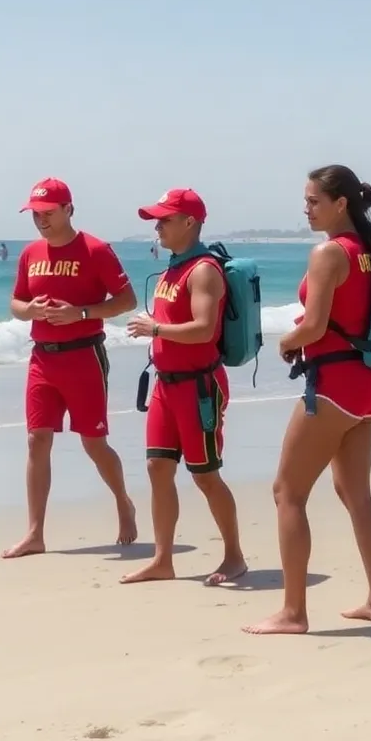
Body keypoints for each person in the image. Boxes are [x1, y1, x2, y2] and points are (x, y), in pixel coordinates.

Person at [243, 164, 371, 636]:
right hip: (370, 386)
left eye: (313, 201)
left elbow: (315, 326)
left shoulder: (328, 253)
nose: (306, 208)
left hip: (334, 387)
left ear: (340, 203)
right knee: (356, 494)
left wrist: (286, 341)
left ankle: (293, 613)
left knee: (287, 493)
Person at [4, 177, 138, 558]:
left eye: (48, 213)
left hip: (84, 356)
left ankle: (123, 502)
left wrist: (81, 313)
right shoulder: (31, 253)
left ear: (68, 210)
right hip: (42, 358)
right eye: (35, 214)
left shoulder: (95, 250)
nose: (41, 220)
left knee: (93, 443)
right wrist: (29, 311)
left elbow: (126, 300)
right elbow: (16, 302)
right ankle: (35, 533)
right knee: (36, 440)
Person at [122, 189, 246, 586]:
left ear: (189, 222)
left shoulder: (205, 269)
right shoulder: (173, 269)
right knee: (158, 467)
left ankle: (234, 557)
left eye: (165, 219)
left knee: (205, 475)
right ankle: (163, 559)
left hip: (200, 388)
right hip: (165, 385)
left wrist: (155, 328)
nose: (157, 226)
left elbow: (204, 330)